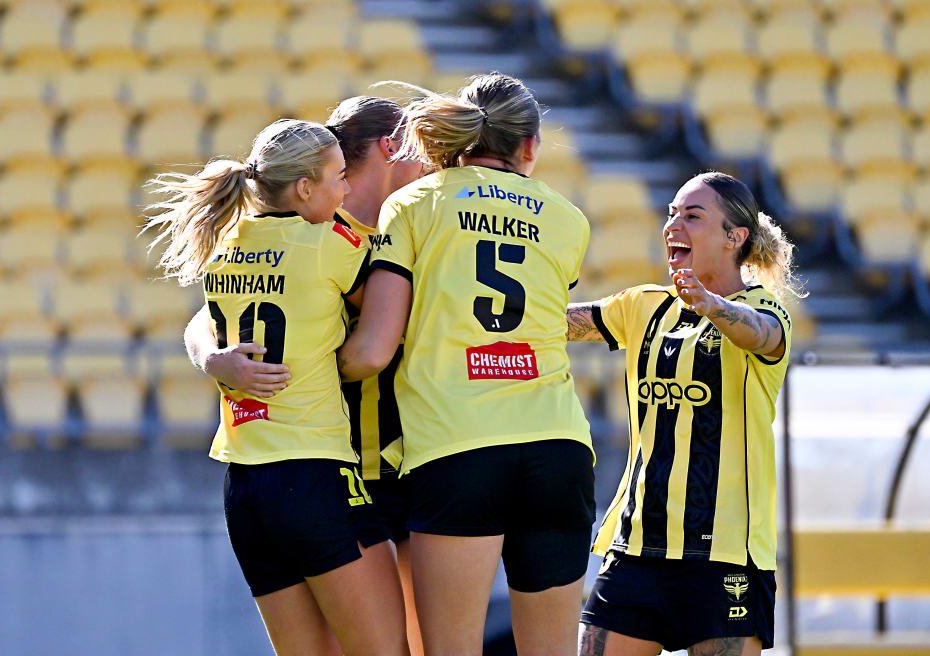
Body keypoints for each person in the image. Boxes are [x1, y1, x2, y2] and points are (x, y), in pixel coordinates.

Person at [336, 73, 595, 656]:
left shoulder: (413, 203)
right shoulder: (567, 218)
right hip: (558, 447)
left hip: (459, 448)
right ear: (529, 145)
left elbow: (374, 350)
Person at [144, 118, 409, 656]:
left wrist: (212, 360)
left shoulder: (225, 242)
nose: (347, 189)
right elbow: (394, 309)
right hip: (316, 473)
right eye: (338, 177)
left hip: (245, 487)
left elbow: (203, 323)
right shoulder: (330, 243)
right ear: (305, 188)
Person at [566, 171, 803, 655]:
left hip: (725, 556)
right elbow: (555, 323)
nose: (673, 225)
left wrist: (711, 304)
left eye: (692, 216)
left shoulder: (764, 310)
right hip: (636, 547)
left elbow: (761, 335)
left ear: (734, 237)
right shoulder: (645, 305)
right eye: (672, 214)